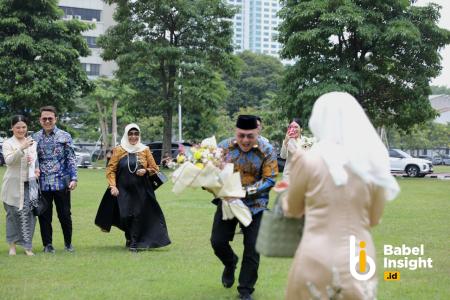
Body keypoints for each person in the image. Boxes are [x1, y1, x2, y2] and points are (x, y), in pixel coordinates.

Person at [282, 92, 400, 300]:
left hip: (316, 253)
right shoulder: (371, 165)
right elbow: (374, 219)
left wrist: (285, 197)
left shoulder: (307, 160)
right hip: (360, 254)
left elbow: (292, 209)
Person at [210, 115, 278, 300]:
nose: (245, 140)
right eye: (241, 136)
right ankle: (230, 262)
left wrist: (244, 192)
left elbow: (270, 178)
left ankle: (245, 290)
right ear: (235, 132)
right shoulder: (223, 147)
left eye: (250, 136)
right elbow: (210, 171)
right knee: (217, 241)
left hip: (256, 205)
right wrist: (209, 183)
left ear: (257, 132)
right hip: (228, 202)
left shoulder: (267, 150)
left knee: (253, 247)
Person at [95, 123, 171, 252]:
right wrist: (113, 186)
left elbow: (155, 168)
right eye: (130, 134)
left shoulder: (145, 149)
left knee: (137, 215)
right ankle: (129, 236)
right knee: (124, 215)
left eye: (136, 134)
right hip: (122, 188)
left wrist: (145, 171)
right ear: (126, 134)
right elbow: (111, 169)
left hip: (141, 189)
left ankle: (134, 243)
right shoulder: (118, 150)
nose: (133, 136)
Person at [34, 106, 78, 253]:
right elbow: (33, 161)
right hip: (43, 184)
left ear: (55, 119)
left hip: (62, 183)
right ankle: (48, 245)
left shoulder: (65, 136)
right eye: (44, 118)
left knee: (65, 214)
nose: (47, 121)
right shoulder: (34, 138)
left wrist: (74, 178)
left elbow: (71, 158)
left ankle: (68, 243)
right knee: (44, 216)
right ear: (40, 120)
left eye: (50, 118)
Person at [1, 115, 39, 256]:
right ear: (12, 127)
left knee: (29, 215)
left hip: (29, 184)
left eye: (23, 127)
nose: (21, 130)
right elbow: (9, 161)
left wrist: (35, 166)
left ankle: (27, 246)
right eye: (18, 127)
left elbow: (35, 160)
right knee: (12, 214)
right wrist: (21, 149)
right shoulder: (7, 143)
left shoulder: (33, 142)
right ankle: (12, 246)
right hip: (12, 185)